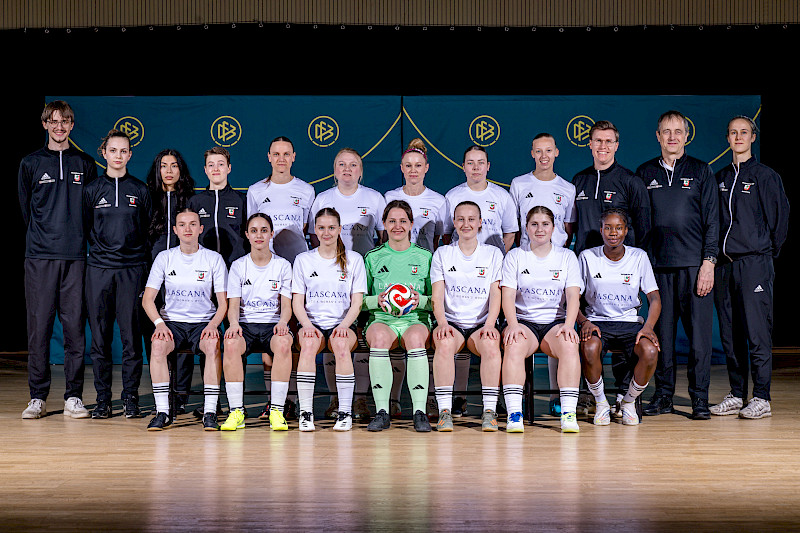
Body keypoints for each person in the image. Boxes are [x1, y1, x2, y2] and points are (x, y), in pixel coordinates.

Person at [636, 110, 719, 420]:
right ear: (658, 136)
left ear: (686, 136)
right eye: (666, 131)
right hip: (658, 269)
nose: (672, 137)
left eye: (678, 131)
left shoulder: (701, 170)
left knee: (699, 340)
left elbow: (713, 220)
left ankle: (699, 399)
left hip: (695, 269)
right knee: (663, 338)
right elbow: (640, 224)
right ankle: (664, 396)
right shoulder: (645, 172)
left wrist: (708, 263)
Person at [18, 100, 97, 419]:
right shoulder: (30, 163)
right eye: (53, 121)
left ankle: (73, 396)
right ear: (45, 125)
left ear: (72, 125)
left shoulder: (85, 163)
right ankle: (37, 397)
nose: (59, 126)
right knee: (38, 329)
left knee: (75, 329)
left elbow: (90, 211)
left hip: (75, 257)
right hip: (39, 257)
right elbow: (26, 208)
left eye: (65, 121)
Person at [710, 115, 790, 419]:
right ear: (728, 139)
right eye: (733, 133)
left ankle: (762, 397)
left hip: (755, 263)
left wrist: (764, 252)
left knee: (757, 333)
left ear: (752, 137)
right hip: (724, 266)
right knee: (730, 335)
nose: (738, 137)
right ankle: (736, 393)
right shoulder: (720, 177)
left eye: (744, 132)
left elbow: (780, 219)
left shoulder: (765, 176)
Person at [308, 148, 386, 420]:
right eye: (341, 164)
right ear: (334, 170)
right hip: (333, 281)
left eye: (353, 165)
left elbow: (383, 239)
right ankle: (335, 399)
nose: (347, 169)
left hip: (364, 277)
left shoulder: (374, 198)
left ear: (361, 171)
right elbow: (315, 238)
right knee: (335, 338)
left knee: (361, 341)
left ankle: (361, 399)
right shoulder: (323, 199)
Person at [83, 129, 152, 419]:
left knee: (131, 339)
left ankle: (130, 398)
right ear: (104, 153)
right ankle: (103, 400)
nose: (118, 156)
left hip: (131, 271)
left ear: (130, 155)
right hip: (99, 271)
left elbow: (147, 231)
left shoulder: (140, 189)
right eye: (113, 150)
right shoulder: (91, 190)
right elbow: (85, 228)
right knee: (100, 339)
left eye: (124, 151)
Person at [142, 208, 228, 431]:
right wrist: (159, 324)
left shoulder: (213, 259)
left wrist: (213, 325)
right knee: (157, 345)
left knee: (212, 344)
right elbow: (148, 300)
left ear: (200, 229)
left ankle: (210, 412)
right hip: (172, 323)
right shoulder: (165, 258)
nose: (187, 229)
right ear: (175, 230)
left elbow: (223, 303)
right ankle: (163, 412)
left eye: (192, 224)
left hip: (203, 322)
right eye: (182, 224)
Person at [509, 132, 577, 416]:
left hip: (555, 263)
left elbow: (569, 228)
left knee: (558, 327)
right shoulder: (519, 184)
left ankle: (556, 397)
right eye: (538, 151)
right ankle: (513, 405)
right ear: (532, 153)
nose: (544, 156)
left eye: (548, 150)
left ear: (556, 152)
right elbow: (513, 225)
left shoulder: (568, 188)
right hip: (528, 261)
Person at [500, 206, 584, 433]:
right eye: (534, 224)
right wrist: (512, 324)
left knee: (569, 344)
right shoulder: (515, 256)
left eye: (545, 224)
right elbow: (507, 295)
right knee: (513, 344)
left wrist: (569, 325)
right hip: (524, 322)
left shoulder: (566, 257)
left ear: (553, 228)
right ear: (526, 228)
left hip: (555, 323)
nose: (540, 229)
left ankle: (568, 413)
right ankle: (515, 414)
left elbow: (573, 295)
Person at [577, 208, 661, 426]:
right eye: (608, 228)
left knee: (650, 351)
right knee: (589, 348)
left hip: (630, 323)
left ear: (625, 231)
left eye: (618, 228)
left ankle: (628, 402)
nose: (613, 232)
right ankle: (601, 403)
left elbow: (654, 298)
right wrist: (584, 321)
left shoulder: (638, 257)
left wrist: (648, 327)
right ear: (601, 230)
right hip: (598, 322)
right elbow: (572, 298)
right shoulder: (587, 257)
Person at [384, 138, 447, 418]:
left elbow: (442, 239)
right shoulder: (389, 197)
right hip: (393, 272)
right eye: (408, 165)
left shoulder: (438, 200)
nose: (413, 170)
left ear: (426, 168)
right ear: (401, 168)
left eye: (418, 165)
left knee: (424, 339)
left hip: (424, 273)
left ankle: (430, 399)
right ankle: (394, 399)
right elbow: (383, 237)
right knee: (393, 334)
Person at [291, 208, 367, 431]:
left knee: (341, 345)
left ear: (340, 229)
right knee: (308, 345)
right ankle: (306, 413)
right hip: (312, 323)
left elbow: (357, 301)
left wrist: (344, 325)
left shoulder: (354, 259)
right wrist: (307, 326)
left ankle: (344, 412)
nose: (327, 232)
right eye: (322, 228)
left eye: (331, 227)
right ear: (315, 230)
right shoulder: (303, 259)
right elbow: (297, 301)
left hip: (343, 323)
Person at [431, 201, 503, 431]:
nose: (466, 224)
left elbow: (496, 293)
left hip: (481, 324)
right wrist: (442, 323)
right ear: (454, 223)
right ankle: (444, 411)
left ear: (480, 222)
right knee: (443, 342)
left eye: (471, 219)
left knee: (491, 344)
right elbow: (437, 295)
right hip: (452, 322)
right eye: (461, 219)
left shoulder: (492, 254)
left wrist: (490, 324)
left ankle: (489, 411)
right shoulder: (443, 253)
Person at [185, 146, 247, 416]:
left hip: (235, 277)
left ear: (229, 168)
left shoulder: (241, 199)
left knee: (235, 337)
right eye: (211, 164)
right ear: (205, 170)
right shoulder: (196, 201)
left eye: (221, 164)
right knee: (207, 337)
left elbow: (249, 237)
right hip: (205, 279)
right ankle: (212, 401)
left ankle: (236, 402)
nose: (216, 169)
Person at [363, 200, 434, 432]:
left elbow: (436, 301)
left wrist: (419, 300)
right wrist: (377, 300)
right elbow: (359, 301)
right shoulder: (373, 257)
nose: (397, 226)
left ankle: (419, 412)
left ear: (411, 224)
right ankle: (382, 411)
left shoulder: (425, 257)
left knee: (415, 339)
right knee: (380, 338)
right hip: (382, 320)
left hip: (415, 320)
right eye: (392, 221)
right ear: (384, 224)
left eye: (403, 221)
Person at [221, 213, 293, 431]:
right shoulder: (238, 266)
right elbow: (233, 305)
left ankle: (277, 410)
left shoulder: (283, 265)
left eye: (264, 230)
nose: (259, 235)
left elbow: (286, 305)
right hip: (246, 325)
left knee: (283, 343)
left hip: (273, 325)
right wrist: (234, 324)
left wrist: (283, 322)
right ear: (247, 235)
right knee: (230, 344)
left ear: (271, 234)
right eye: (254, 231)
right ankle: (236, 412)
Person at [144, 148, 196, 413]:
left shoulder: (190, 200)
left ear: (180, 170)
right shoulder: (148, 198)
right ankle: (161, 395)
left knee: (184, 335)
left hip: (184, 277)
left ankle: (181, 394)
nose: (168, 170)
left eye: (174, 165)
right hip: (154, 274)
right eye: (164, 165)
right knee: (158, 335)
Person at [572, 120, 651, 257]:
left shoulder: (631, 181)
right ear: (590, 144)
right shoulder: (579, 180)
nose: (603, 146)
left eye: (608, 141)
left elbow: (643, 229)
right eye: (598, 141)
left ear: (616, 146)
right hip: (585, 260)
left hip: (620, 262)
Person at [246, 136, 315, 264]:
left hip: (297, 260)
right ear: (269, 157)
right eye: (276, 154)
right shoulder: (255, 190)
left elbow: (304, 227)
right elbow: (253, 229)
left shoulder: (307, 190)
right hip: (266, 262)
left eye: (286, 154)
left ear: (293, 157)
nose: (281, 159)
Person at [443, 145, 518, 255]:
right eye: (470, 163)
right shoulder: (452, 196)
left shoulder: (502, 196)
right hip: (459, 261)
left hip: (492, 262)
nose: (476, 167)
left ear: (488, 166)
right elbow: (446, 234)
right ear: (463, 167)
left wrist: (496, 257)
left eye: (481, 162)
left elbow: (510, 233)